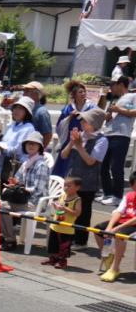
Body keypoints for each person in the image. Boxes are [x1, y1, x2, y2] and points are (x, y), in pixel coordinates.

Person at [60, 107, 107, 247]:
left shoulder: (102, 140)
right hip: (72, 180)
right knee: (68, 209)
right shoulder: (81, 135)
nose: (81, 123)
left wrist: (79, 145)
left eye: (85, 120)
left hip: (87, 182)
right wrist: (71, 142)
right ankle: (66, 237)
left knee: (83, 213)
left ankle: (81, 241)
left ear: (94, 123)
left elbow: (91, 161)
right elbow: (63, 155)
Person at [0, 131, 50, 251]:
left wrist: (22, 189)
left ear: (40, 147)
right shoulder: (26, 163)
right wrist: (13, 184)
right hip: (24, 199)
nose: (31, 146)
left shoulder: (41, 165)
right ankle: (7, 237)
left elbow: (38, 190)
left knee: (3, 208)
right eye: (28, 144)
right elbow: (18, 180)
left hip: (36, 203)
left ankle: (9, 240)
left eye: (34, 144)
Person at [99, 75, 136, 205]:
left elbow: (134, 112)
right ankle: (107, 193)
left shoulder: (132, 96)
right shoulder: (116, 99)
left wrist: (118, 109)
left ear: (121, 84)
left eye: (113, 85)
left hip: (122, 135)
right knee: (103, 165)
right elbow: (110, 117)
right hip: (108, 133)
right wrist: (109, 115)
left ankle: (117, 196)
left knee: (116, 166)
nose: (112, 88)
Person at [52, 80, 97, 177]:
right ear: (74, 95)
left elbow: (96, 121)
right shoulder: (68, 108)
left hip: (85, 140)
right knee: (64, 167)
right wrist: (70, 117)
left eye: (84, 91)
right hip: (70, 140)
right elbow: (60, 125)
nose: (83, 94)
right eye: (80, 92)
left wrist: (82, 116)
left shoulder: (91, 106)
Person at [97, 174, 136, 281]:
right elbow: (118, 212)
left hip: (133, 225)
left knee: (119, 235)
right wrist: (109, 228)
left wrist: (116, 229)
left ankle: (115, 268)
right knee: (98, 229)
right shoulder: (129, 195)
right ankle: (109, 256)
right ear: (132, 186)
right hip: (125, 221)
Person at [43, 176, 82, 269]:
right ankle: (53, 258)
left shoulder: (77, 199)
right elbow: (59, 209)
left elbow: (77, 213)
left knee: (63, 246)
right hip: (55, 225)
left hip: (66, 228)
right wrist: (56, 206)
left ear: (77, 187)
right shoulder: (62, 195)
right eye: (65, 185)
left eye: (69, 186)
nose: (66, 188)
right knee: (53, 244)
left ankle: (62, 261)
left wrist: (65, 208)